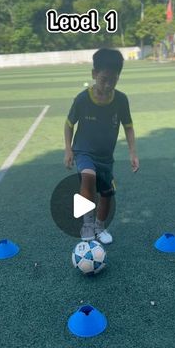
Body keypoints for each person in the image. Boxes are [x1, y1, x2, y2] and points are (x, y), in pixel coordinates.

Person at [64, 48, 139, 244]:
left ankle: (99, 227)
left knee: (107, 193)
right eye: (103, 79)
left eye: (113, 80)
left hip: (106, 156)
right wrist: (68, 149)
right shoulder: (82, 99)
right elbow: (69, 124)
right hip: (83, 151)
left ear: (118, 77)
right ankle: (87, 224)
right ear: (94, 74)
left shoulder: (121, 100)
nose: (107, 85)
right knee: (88, 177)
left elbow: (128, 127)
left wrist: (133, 153)